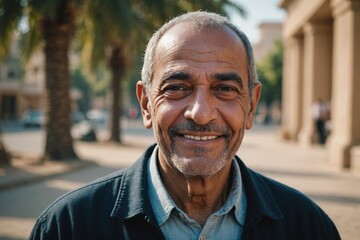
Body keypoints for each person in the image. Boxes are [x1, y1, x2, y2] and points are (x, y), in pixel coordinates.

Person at [29, 11, 340, 240]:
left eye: (225, 89)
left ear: (252, 106)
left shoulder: (307, 227)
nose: (201, 114)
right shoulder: (69, 227)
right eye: (177, 87)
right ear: (146, 103)